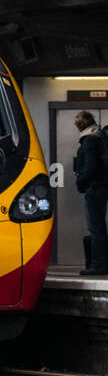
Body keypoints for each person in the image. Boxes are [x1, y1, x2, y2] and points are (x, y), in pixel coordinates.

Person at [73, 111, 108, 276]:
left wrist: (80, 182)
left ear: (82, 124)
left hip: (95, 188)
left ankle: (98, 265)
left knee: (96, 228)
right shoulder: (99, 136)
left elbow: (90, 166)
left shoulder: (89, 140)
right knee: (99, 227)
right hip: (101, 186)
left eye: (77, 123)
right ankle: (100, 263)